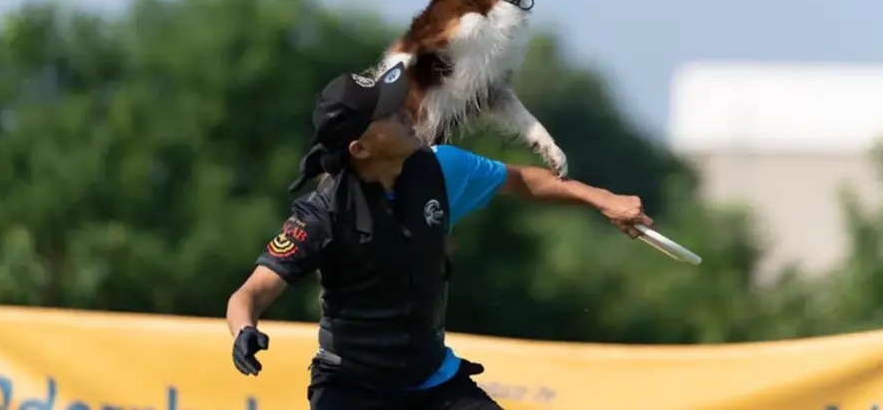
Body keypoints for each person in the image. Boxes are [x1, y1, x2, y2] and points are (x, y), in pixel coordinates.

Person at [225, 62, 653, 410]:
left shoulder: (440, 168)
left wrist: (603, 199)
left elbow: (523, 180)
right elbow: (249, 294)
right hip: (352, 389)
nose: (405, 111)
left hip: (433, 383)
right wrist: (244, 330)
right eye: (388, 114)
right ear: (360, 148)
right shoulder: (322, 214)